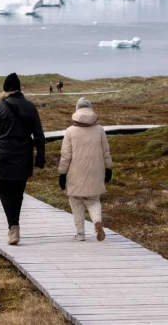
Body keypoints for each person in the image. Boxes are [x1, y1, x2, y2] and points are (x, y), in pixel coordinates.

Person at [0, 73, 46, 245]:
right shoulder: (30, 107)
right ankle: (14, 225)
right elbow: (39, 135)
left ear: (5, 89)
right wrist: (40, 159)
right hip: (23, 158)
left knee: (5, 193)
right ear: (19, 88)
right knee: (18, 194)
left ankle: (13, 226)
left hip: (2, 157)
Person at [58, 98, 113, 242]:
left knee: (75, 200)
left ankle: (80, 233)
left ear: (76, 110)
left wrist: (62, 173)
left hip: (75, 172)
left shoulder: (70, 131)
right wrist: (109, 169)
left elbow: (65, 156)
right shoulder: (100, 129)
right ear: (92, 109)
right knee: (93, 199)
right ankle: (96, 222)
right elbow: (106, 152)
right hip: (96, 170)